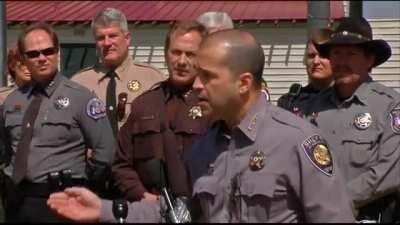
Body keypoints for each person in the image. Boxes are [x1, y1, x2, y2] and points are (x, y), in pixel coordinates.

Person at [47, 30, 355, 223]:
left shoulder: (296, 141)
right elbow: (183, 214)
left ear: (243, 83)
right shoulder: (206, 147)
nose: (196, 85)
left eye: (207, 76)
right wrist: (106, 210)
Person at [1, 22, 115, 222]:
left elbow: (106, 151)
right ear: (24, 59)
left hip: (62, 201)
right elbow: (7, 150)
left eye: (48, 51)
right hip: (18, 201)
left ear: (57, 52)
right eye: (33, 54)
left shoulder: (81, 98)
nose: (42, 58)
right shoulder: (12, 101)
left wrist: (82, 181)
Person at [305, 17, 400, 223]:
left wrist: (335, 200)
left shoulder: (390, 107)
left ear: (369, 60)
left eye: (351, 53)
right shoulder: (312, 109)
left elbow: (391, 172)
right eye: (336, 53)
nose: (341, 61)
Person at [112, 20, 210, 203]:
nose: (182, 61)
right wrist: (143, 197)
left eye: (190, 54)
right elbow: (121, 164)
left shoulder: (213, 105)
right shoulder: (144, 104)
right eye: (176, 52)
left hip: (200, 210)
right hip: (151, 209)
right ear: (166, 53)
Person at [71, 8, 165, 136]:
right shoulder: (79, 84)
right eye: (100, 38)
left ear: (127, 39)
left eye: (113, 36)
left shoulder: (152, 79)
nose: (107, 43)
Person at [0, 44, 32, 222]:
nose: (28, 67)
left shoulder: (49, 96)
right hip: (9, 175)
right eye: (22, 63)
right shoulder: (3, 99)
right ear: (13, 66)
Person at [277, 28, 333, 117]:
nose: (316, 61)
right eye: (311, 56)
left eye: (323, 56)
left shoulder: (345, 100)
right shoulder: (289, 101)